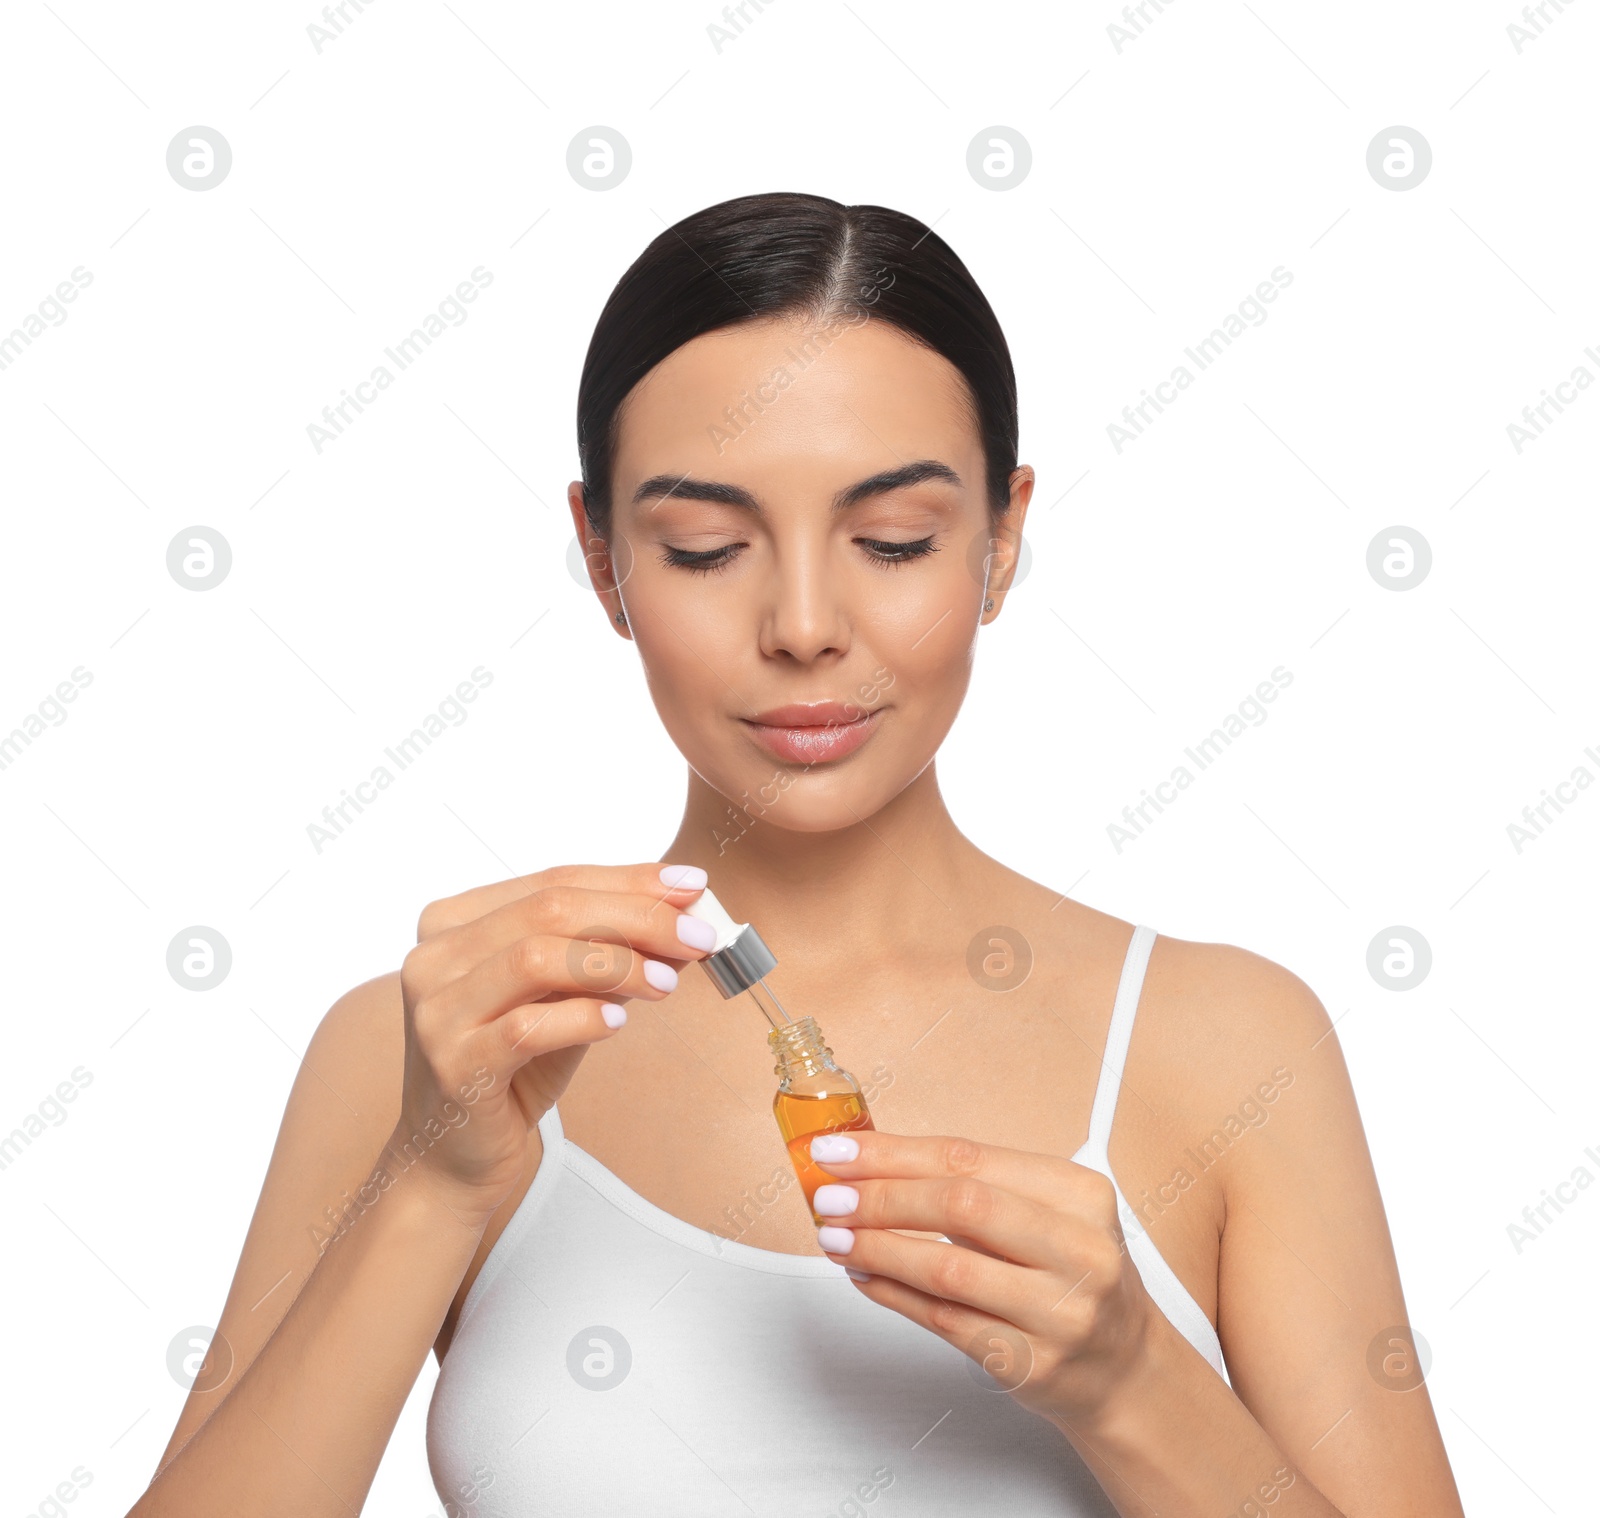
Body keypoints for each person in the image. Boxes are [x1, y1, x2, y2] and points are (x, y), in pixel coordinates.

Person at [131, 192, 1463, 1516]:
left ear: (1003, 539)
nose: (807, 623)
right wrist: (430, 1180)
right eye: (706, 548)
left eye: (894, 540)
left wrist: (1133, 1386)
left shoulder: (1229, 1045)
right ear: (602, 559)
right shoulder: (432, 1050)